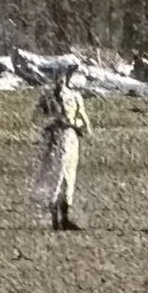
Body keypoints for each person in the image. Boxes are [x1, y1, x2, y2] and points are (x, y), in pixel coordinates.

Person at [31, 61, 92, 231]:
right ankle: (54, 217)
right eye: (58, 77)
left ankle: (64, 217)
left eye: (63, 76)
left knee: (69, 176)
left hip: (70, 137)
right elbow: (35, 118)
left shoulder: (74, 97)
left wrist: (76, 124)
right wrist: (51, 123)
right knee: (56, 174)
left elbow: (86, 122)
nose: (61, 80)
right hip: (54, 138)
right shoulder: (47, 97)